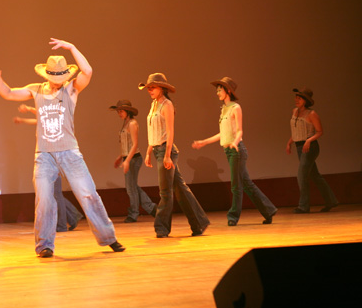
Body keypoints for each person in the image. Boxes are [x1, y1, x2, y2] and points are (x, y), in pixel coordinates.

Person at [0, 38, 125, 257]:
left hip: (70, 152)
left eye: (61, 77)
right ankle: (45, 245)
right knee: (44, 200)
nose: (58, 81)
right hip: (44, 155)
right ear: (47, 75)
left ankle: (109, 238)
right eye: (54, 77)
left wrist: (72, 48)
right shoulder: (36, 90)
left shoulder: (71, 89)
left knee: (88, 194)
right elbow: (10, 93)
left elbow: (88, 71)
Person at [192, 77, 277, 226]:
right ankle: (268, 210)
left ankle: (233, 216)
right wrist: (204, 142)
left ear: (228, 91)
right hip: (229, 150)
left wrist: (235, 142)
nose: (217, 92)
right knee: (247, 184)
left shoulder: (235, 108)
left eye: (220, 90)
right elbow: (223, 133)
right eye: (217, 90)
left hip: (237, 151)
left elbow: (239, 131)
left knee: (236, 186)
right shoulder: (224, 109)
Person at [140, 73, 210, 238]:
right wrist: (148, 151)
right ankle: (199, 223)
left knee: (165, 192)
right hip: (157, 149)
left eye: (153, 87)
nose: (150, 90)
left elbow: (170, 132)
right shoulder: (153, 104)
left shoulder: (167, 105)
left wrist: (167, 155)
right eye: (148, 88)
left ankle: (161, 228)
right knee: (180, 188)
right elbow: (153, 130)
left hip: (166, 150)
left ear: (162, 88)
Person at [14, 104, 82, 232]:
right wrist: (23, 120)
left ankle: (62, 224)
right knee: (53, 193)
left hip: (56, 157)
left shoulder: (60, 121)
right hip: (50, 158)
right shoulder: (51, 121)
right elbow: (39, 120)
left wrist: (28, 109)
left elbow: (41, 116)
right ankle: (73, 216)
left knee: (56, 194)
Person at [286, 88, 338, 213]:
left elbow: (320, 131)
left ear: (305, 100)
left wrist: (308, 141)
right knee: (315, 175)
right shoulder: (294, 111)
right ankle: (331, 201)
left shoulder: (311, 114)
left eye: (299, 98)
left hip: (310, 147)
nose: (296, 100)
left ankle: (303, 206)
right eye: (296, 98)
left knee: (301, 175)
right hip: (300, 147)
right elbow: (296, 131)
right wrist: (289, 142)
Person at [109, 100, 157, 223]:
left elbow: (135, 145)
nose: (119, 113)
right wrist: (121, 157)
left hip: (134, 159)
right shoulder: (125, 123)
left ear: (127, 111)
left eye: (121, 111)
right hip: (128, 158)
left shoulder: (132, 123)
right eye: (118, 111)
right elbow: (126, 145)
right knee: (132, 186)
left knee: (130, 188)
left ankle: (134, 213)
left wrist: (127, 161)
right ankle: (152, 208)